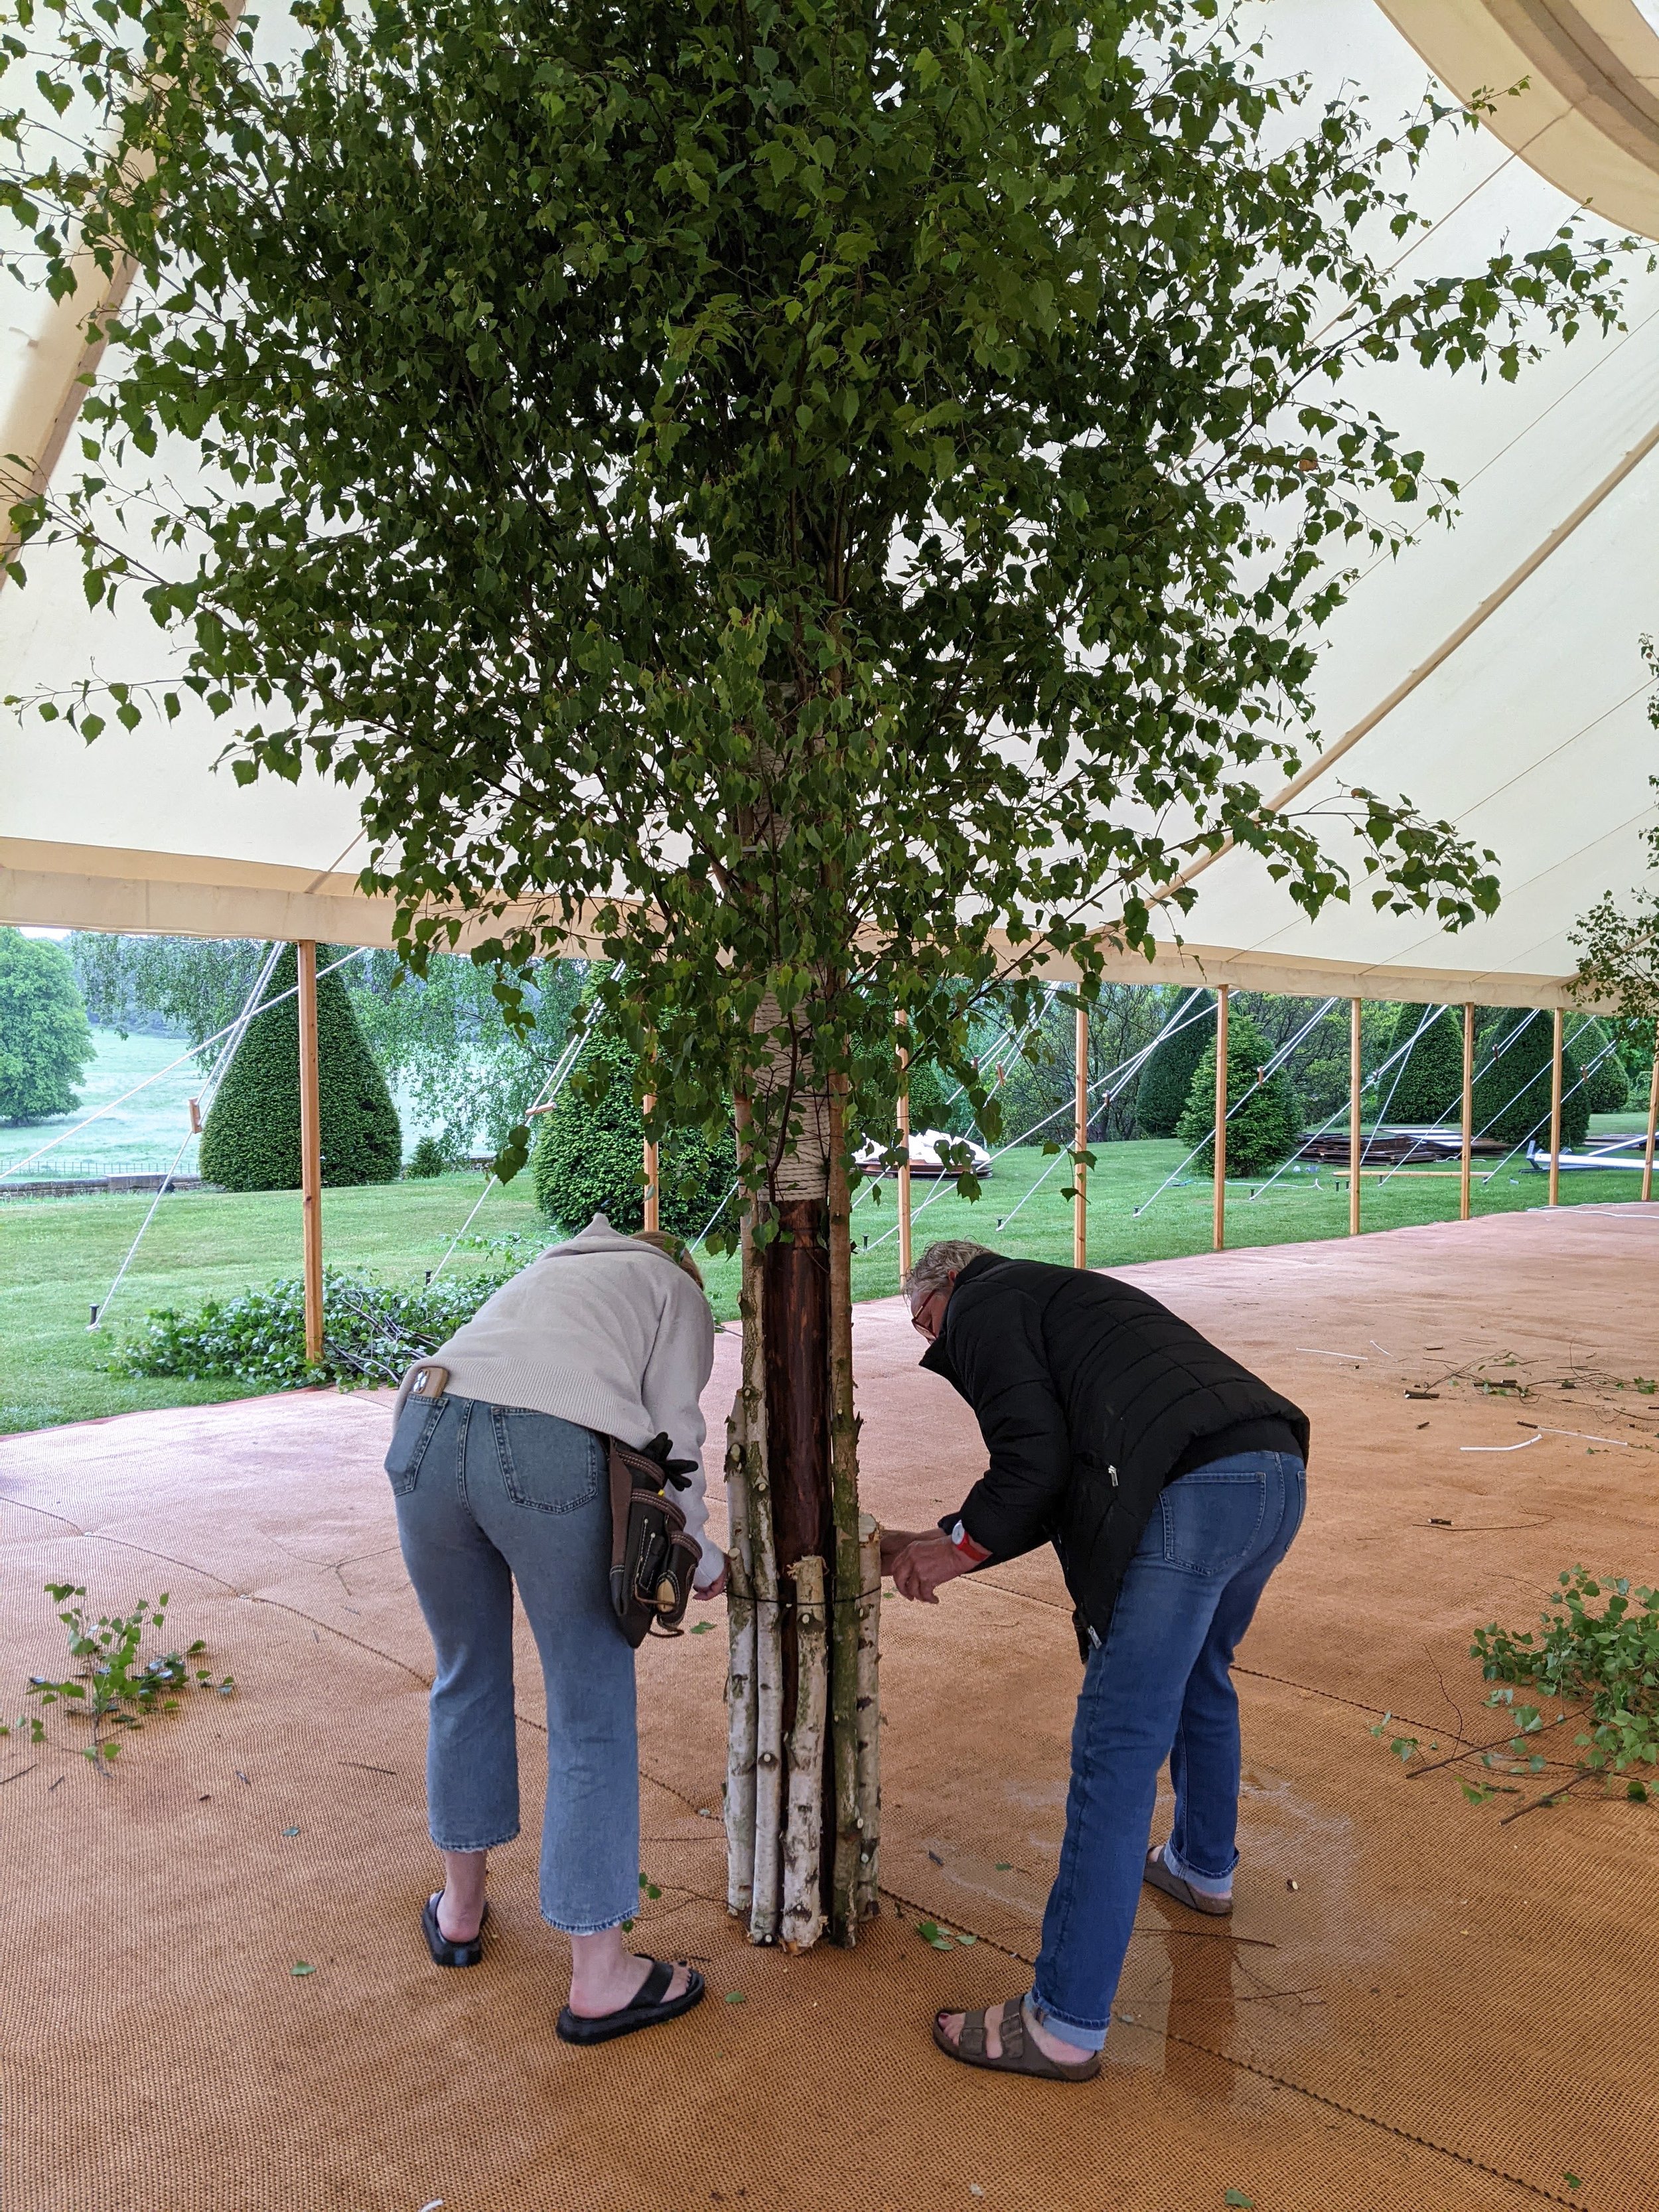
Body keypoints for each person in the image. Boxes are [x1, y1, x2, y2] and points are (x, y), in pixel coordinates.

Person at [883, 1238, 1307, 2084]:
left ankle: (1063, 2022)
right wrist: (950, 1540)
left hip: (1188, 1491)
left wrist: (957, 1548)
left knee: (1114, 1749)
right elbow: (1061, 1475)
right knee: (1199, 1679)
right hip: (1272, 1473)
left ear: (949, 1285)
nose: (933, 1344)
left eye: (925, 1322)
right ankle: (1200, 1866)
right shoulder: (1055, 1298)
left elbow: (1029, 1458)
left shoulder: (987, 1302)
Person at [384, 1212, 725, 2046]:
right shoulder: (674, 1289)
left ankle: (460, 1911)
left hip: (423, 1422)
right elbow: (672, 1433)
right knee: (589, 1712)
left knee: (464, 1674)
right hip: (543, 1448)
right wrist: (701, 1550)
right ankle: (600, 1974)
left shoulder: (551, 1268)